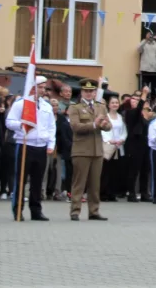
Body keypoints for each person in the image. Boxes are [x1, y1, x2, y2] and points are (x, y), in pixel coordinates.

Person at [4, 75, 56, 221]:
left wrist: (51, 144)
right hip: (25, 144)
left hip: (41, 145)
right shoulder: (21, 103)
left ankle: (36, 210)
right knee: (21, 179)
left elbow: (51, 126)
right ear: (32, 87)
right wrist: (21, 125)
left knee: (37, 180)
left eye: (44, 87)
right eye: (39, 87)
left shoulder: (46, 106)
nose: (42, 90)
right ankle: (18, 209)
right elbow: (9, 122)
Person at [68, 78, 111, 221]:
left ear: (94, 92)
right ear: (81, 92)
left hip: (97, 150)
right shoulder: (75, 107)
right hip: (81, 150)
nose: (88, 94)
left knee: (95, 184)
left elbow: (109, 126)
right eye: (86, 91)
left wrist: (104, 124)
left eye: (91, 91)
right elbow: (75, 127)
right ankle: (75, 210)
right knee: (79, 183)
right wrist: (94, 124)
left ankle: (94, 211)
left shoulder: (100, 107)